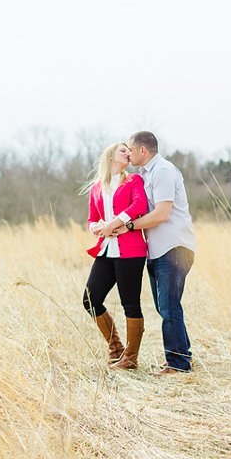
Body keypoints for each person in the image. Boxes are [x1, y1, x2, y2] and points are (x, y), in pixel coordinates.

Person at [99, 131, 197, 375]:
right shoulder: (145, 174)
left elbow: (162, 214)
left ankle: (178, 365)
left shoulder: (163, 171)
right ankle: (183, 356)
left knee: (169, 306)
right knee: (166, 306)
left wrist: (128, 225)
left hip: (173, 247)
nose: (128, 154)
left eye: (130, 149)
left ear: (143, 150)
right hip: (158, 249)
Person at [83, 142, 149, 370]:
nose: (128, 154)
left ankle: (130, 359)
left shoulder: (134, 181)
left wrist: (114, 222)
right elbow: (91, 219)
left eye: (129, 151)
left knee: (130, 303)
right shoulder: (97, 187)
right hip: (106, 250)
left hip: (131, 250)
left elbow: (140, 205)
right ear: (111, 155)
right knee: (90, 299)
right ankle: (116, 348)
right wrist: (97, 228)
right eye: (124, 150)